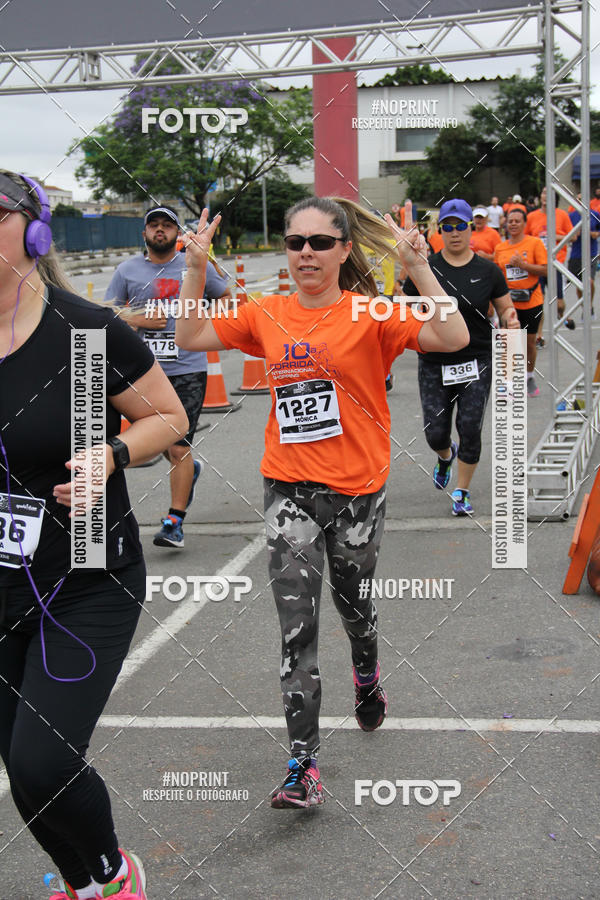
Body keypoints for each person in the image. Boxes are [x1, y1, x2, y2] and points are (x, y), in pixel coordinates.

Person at [176, 197, 469, 809]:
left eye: (318, 242)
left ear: (342, 250)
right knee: (297, 632)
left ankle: (367, 675)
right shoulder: (267, 311)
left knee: (354, 609)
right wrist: (196, 269)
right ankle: (302, 766)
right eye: (295, 242)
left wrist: (419, 266)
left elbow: (452, 333)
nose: (305, 252)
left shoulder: (370, 311)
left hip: (359, 493)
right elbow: (193, 335)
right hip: (289, 491)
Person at [0, 172, 188, 898]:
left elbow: (168, 420)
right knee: (22, 766)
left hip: (87, 575)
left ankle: (116, 876)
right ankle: (83, 886)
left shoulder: (83, 333)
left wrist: (110, 453)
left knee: (46, 760)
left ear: (35, 231)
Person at [105, 206, 229, 549]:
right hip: (143, 373)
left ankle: (174, 522)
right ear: (144, 233)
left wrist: (200, 321)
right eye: (154, 225)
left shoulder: (193, 265)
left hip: (188, 369)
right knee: (158, 442)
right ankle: (189, 472)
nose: (160, 230)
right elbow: (108, 312)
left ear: (177, 232)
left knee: (177, 445)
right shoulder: (127, 269)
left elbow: (226, 300)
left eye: (167, 225)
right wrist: (139, 321)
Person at [403, 198, 519, 516]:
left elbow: (505, 305)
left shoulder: (488, 270)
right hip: (434, 361)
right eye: (448, 227)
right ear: (440, 231)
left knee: (470, 427)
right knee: (435, 431)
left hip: (476, 360)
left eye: (461, 226)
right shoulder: (426, 269)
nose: (455, 233)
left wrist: (510, 318)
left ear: (472, 228)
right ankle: (444, 456)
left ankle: (462, 491)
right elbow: (405, 307)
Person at [493, 207, 547, 397]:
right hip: (509, 303)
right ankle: (508, 382)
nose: (513, 224)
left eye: (517, 221)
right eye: (510, 221)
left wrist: (523, 265)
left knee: (529, 343)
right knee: (509, 343)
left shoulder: (534, 243)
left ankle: (528, 376)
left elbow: (546, 270)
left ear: (524, 223)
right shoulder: (500, 248)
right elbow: (497, 274)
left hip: (532, 301)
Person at [525, 186, 574, 330]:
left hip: (555, 263)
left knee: (559, 303)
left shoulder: (562, 215)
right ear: (540, 197)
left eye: (549, 193)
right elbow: (525, 237)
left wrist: (554, 236)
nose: (545, 196)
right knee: (539, 302)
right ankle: (539, 335)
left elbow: (574, 236)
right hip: (538, 266)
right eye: (544, 193)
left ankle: (561, 314)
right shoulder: (532, 216)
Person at [568, 200, 600, 316]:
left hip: (591, 252)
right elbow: (566, 232)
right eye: (578, 200)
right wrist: (574, 234)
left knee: (590, 281)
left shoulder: (594, 214)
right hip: (576, 254)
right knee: (579, 284)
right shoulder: (571, 216)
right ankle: (584, 307)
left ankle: (589, 305)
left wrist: (595, 234)